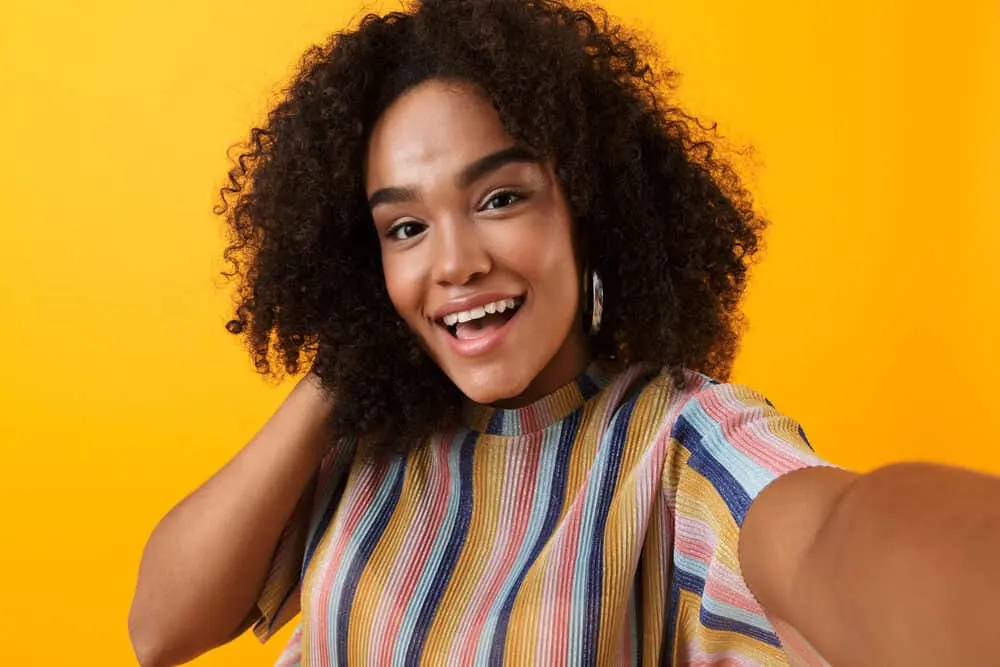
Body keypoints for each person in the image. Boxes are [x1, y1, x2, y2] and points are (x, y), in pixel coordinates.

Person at [128, 0, 1000, 665]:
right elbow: (159, 628)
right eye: (404, 228)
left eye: (500, 198)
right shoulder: (364, 441)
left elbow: (831, 534)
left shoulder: (680, 442)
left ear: (586, 205)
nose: (454, 261)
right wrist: (347, 357)